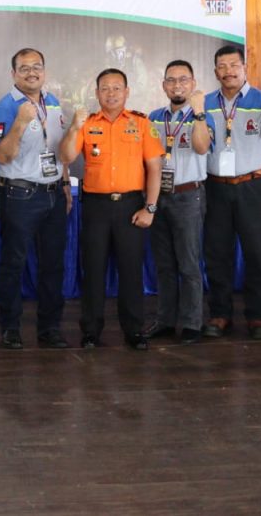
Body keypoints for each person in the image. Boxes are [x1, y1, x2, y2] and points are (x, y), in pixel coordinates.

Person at [59, 68, 163, 350]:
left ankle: (134, 330)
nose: (111, 93)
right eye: (105, 88)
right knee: (93, 270)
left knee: (131, 270)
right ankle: (91, 331)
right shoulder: (87, 123)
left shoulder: (141, 123)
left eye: (117, 88)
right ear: (96, 93)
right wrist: (74, 127)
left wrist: (150, 208)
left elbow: (155, 167)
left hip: (131, 205)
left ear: (127, 92)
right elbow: (65, 156)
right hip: (96, 207)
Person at [202, 46, 261, 340]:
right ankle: (220, 314)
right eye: (222, 66)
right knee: (217, 253)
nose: (228, 71)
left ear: (244, 67)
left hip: (254, 185)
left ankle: (258, 316)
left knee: (257, 253)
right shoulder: (205, 102)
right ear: (216, 72)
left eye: (233, 65)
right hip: (215, 186)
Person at [0, 48, 73, 349]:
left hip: (53, 193)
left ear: (44, 71)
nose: (31, 72)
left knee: (53, 264)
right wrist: (20, 122)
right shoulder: (5, 107)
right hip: (20, 195)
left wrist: (65, 183)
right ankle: (10, 328)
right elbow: (2, 156)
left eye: (36, 66)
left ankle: (50, 328)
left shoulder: (53, 102)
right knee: (13, 264)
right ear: (13, 74)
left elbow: (59, 149)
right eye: (24, 68)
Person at [145, 60, 214, 345]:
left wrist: (198, 114)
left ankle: (191, 323)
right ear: (164, 85)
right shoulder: (153, 117)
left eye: (183, 80)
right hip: (158, 195)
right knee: (164, 264)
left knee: (188, 263)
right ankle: (165, 320)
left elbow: (201, 146)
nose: (177, 85)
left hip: (188, 195)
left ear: (193, 84)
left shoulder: (203, 116)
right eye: (171, 80)